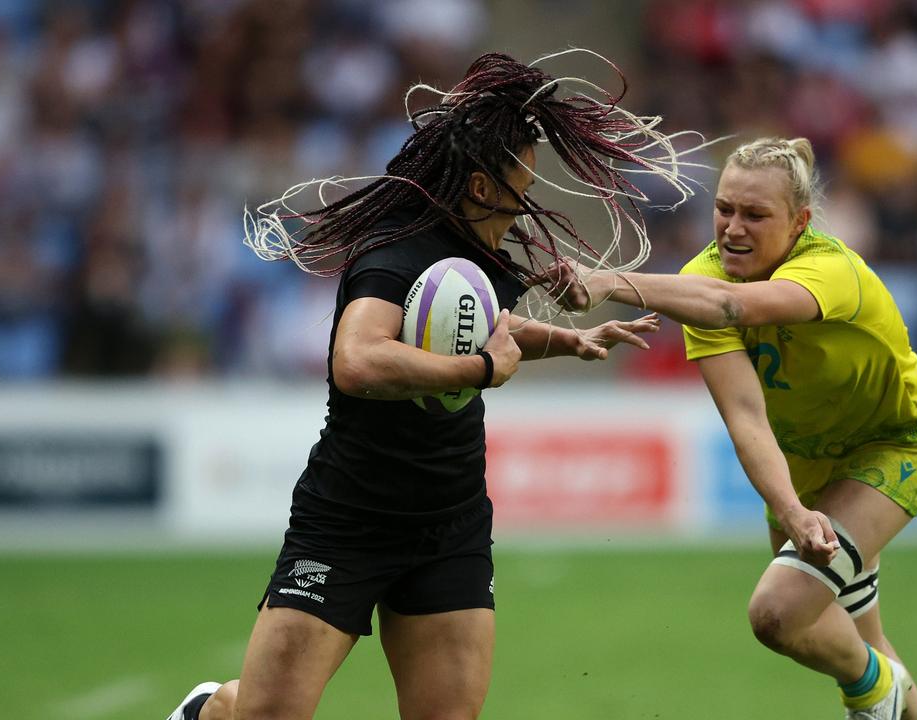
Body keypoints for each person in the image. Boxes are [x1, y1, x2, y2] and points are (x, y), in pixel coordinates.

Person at [166, 51, 693, 720]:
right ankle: (209, 711)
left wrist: (563, 340)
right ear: (478, 187)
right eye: (518, 189)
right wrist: (478, 373)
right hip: (350, 519)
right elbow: (357, 361)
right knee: (269, 715)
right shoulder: (396, 252)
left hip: (449, 519)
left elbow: (484, 333)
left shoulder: (486, 262)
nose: (524, 206)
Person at [544, 137, 917, 719]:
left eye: (755, 215)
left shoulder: (832, 268)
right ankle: (880, 684)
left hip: (898, 442)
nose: (733, 228)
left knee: (778, 613)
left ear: (799, 222)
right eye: (724, 209)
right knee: (854, 640)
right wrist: (791, 509)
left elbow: (732, 307)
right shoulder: (700, 279)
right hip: (802, 462)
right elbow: (745, 415)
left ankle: (874, 683)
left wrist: (610, 281)